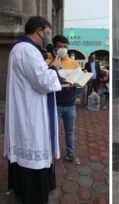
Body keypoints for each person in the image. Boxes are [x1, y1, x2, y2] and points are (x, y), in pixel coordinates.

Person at [4, 16, 62, 204]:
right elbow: (43, 82)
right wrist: (53, 68)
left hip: (26, 106)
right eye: (46, 33)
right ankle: (34, 194)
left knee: (25, 145)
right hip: (31, 111)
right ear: (38, 30)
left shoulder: (20, 48)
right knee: (33, 143)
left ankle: (22, 187)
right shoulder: (28, 50)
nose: (47, 37)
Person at [46, 35, 81, 165]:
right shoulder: (48, 62)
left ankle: (70, 154)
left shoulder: (74, 63)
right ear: (54, 47)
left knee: (70, 132)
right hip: (54, 104)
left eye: (65, 47)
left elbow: (80, 84)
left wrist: (76, 87)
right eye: (60, 47)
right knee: (51, 131)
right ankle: (49, 155)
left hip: (70, 104)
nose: (63, 49)